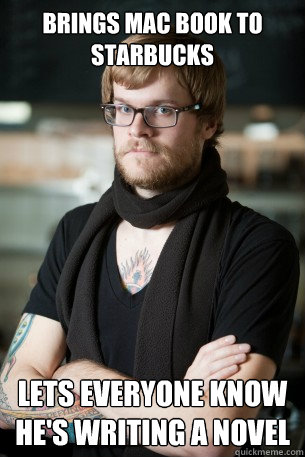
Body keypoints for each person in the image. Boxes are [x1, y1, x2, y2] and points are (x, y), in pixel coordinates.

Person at [0, 29, 300, 457]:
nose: (137, 129)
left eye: (162, 109)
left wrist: (83, 380)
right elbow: (10, 399)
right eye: (123, 108)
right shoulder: (75, 231)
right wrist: (178, 404)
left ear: (210, 121)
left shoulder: (258, 247)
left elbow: (214, 437)